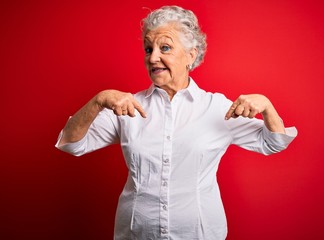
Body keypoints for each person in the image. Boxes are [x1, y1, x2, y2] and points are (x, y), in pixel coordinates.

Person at [55, 5, 297, 240]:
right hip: (137, 234)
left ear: (191, 55)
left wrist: (266, 105)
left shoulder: (216, 108)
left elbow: (274, 142)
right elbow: (71, 144)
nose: (153, 58)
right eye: (148, 49)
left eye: (165, 47)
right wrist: (98, 101)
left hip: (199, 234)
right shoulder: (127, 106)